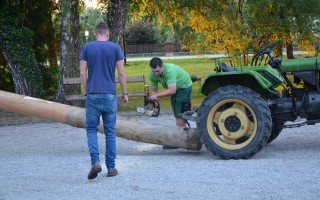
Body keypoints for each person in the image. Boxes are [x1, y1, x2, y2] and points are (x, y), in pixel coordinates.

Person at [79, 22, 128, 180]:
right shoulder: (115, 48)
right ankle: (111, 167)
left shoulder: (87, 47)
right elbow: (121, 72)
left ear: (95, 34)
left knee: (91, 130)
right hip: (110, 95)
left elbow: (82, 73)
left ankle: (95, 162)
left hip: (93, 95)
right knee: (110, 133)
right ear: (107, 34)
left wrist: (87, 90)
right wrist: (125, 93)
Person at [148, 57, 192, 149]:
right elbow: (154, 91)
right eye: (154, 71)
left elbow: (172, 90)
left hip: (184, 86)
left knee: (180, 109)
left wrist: (156, 96)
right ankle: (179, 136)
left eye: (158, 71)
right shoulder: (152, 75)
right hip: (175, 88)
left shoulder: (170, 71)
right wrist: (153, 104)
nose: (156, 74)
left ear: (162, 66)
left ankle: (178, 140)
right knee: (175, 109)